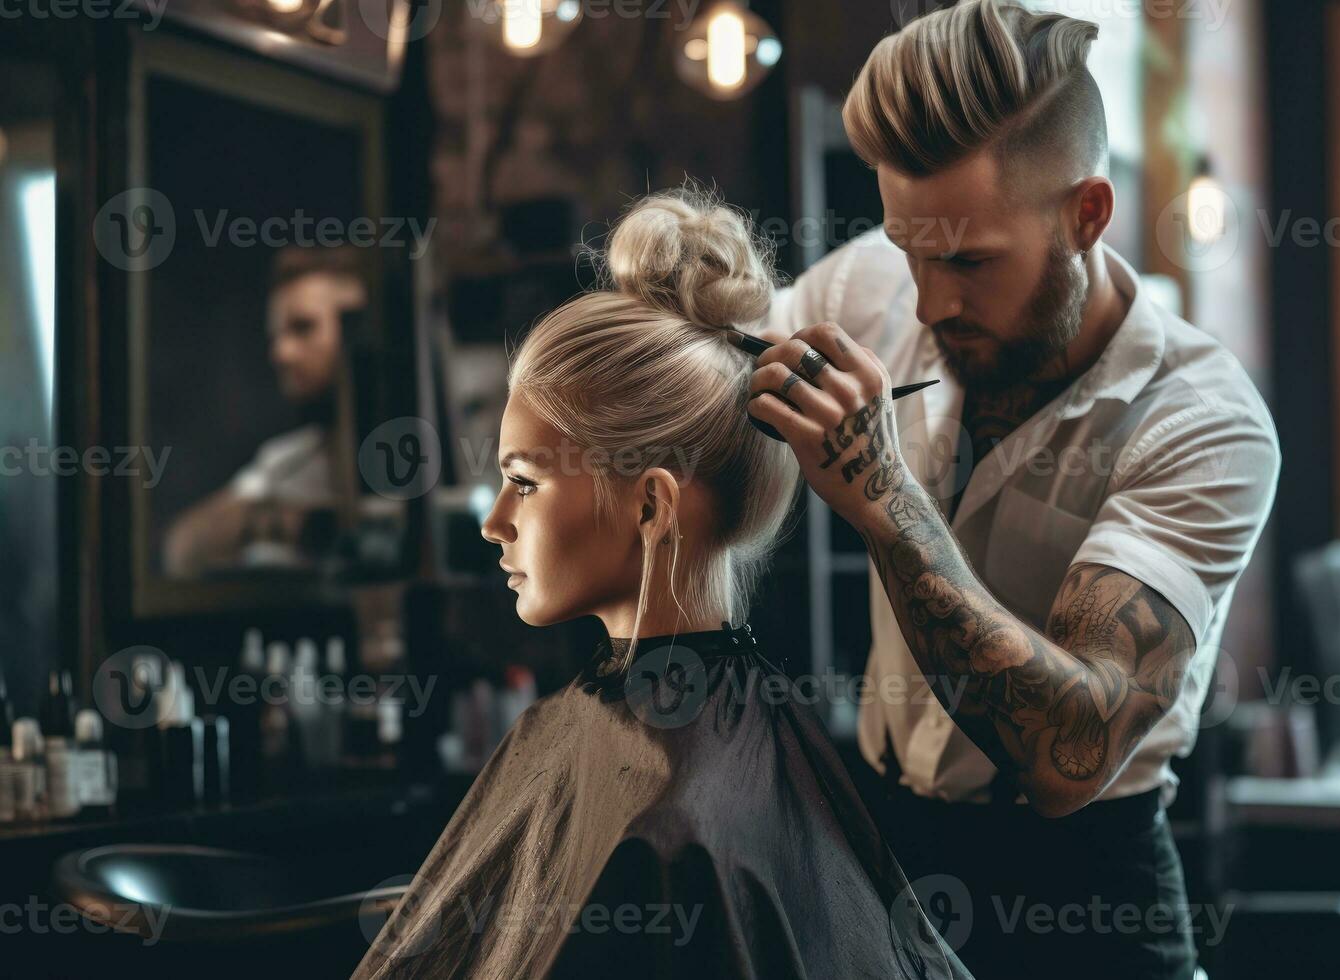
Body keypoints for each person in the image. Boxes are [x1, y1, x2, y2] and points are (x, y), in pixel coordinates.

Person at [748, 2, 1281, 976]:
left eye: (967, 261)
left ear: (1086, 214)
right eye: (910, 248)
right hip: (886, 855)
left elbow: (1067, 750)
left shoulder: (1204, 419)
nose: (927, 301)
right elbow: (721, 365)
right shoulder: (879, 283)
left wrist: (887, 502)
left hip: (1084, 891)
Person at [352, 189, 971, 980]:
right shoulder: (703, 750)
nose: (494, 522)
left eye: (526, 483)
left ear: (650, 504)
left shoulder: (671, 831)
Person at [163, 246, 366, 575]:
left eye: (303, 328)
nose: (281, 353)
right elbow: (183, 548)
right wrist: (286, 523)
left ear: (359, 327)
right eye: (276, 335)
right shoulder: (284, 464)